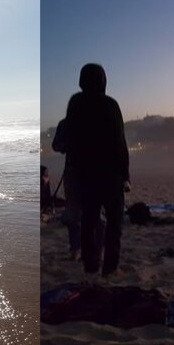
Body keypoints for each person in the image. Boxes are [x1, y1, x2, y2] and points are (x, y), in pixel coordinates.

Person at [64, 63, 130, 277]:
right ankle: (110, 267)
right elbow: (120, 141)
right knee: (114, 223)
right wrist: (125, 174)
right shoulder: (110, 104)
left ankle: (90, 264)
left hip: (85, 174)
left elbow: (71, 138)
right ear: (103, 81)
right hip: (110, 174)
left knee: (89, 220)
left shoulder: (75, 103)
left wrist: (76, 164)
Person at [51, 118, 82, 261]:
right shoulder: (65, 123)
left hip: (93, 173)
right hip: (73, 174)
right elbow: (56, 145)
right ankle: (75, 248)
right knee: (73, 213)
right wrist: (69, 145)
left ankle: (86, 247)